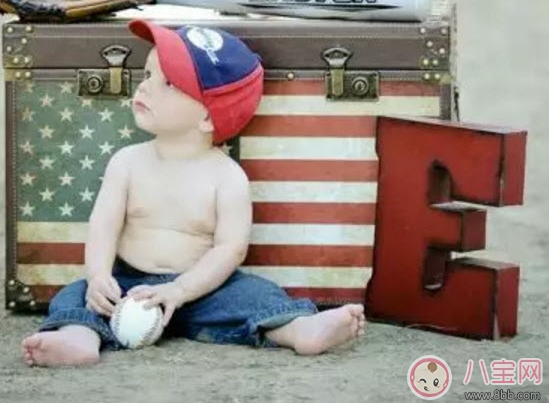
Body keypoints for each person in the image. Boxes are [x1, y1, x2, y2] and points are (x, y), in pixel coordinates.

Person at [22, 21, 365, 366]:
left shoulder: (228, 178)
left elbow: (230, 249)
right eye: (146, 75)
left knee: (256, 295)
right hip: (129, 284)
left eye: (167, 83)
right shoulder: (126, 162)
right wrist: (99, 275)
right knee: (75, 294)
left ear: (207, 118)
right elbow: (103, 225)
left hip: (203, 289)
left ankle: (300, 330)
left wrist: (182, 289)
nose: (145, 88)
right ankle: (77, 338)